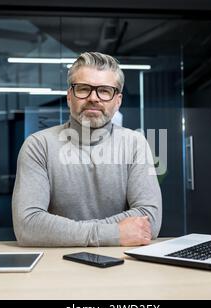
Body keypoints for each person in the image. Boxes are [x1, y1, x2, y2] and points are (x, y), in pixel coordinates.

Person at [12, 52, 162, 247]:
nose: (93, 98)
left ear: (118, 101)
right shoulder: (38, 145)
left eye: (105, 90)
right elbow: (27, 226)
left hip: (123, 267)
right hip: (58, 267)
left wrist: (65, 232)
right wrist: (114, 233)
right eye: (83, 89)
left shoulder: (135, 144)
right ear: (69, 96)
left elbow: (150, 220)